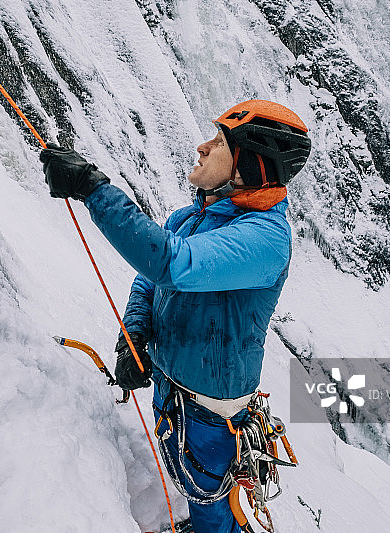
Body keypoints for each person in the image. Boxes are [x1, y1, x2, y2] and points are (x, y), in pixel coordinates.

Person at [41, 100, 311, 533]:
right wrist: (135, 332)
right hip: (173, 390)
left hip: (209, 415)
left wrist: (93, 189)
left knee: (213, 507)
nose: (203, 148)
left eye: (220, 142)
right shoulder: (189, 217)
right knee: (191, 485)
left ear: (251, 165)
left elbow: (170, 265)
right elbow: (151, 284)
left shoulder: (265, 239)